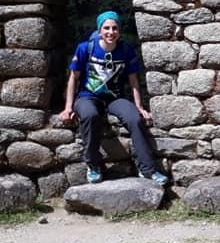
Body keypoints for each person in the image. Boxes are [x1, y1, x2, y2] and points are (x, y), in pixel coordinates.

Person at [58, 11, 168, 186]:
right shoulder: (85, 48)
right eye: (106, 28)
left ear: (119, 31)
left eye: (114, 28)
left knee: (134, 119)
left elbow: (133, 80)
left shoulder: (125, 50)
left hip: (115, 98)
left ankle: (147, 169)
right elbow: (73, 78)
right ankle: (93, 165)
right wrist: (68, 107)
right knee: (89, 116)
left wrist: (139, 106)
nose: (111, 32)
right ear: (99, 30)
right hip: (88, 96)